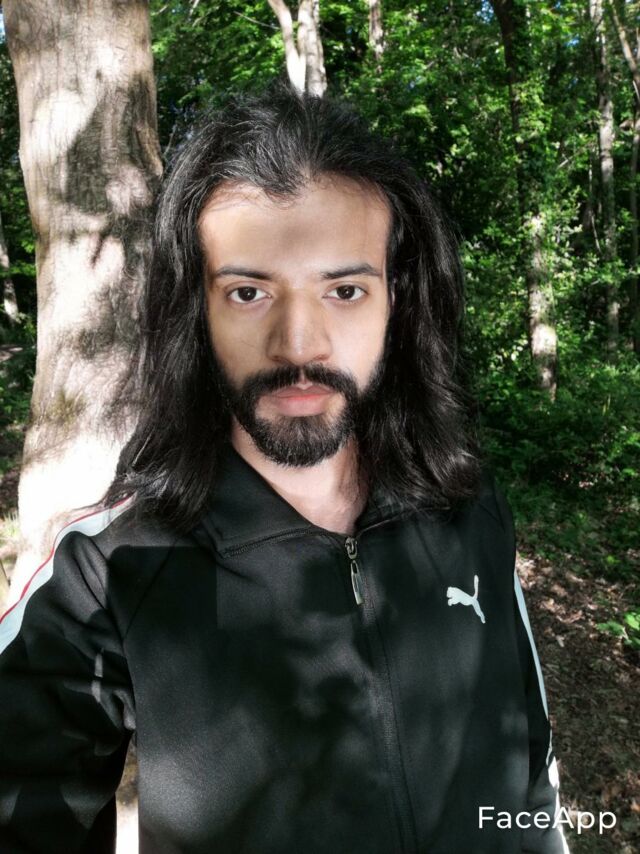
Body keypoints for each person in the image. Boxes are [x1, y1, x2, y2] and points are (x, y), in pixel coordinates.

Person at [0, 86, 569, 854]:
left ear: (397, 304)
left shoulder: (470, 509)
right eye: (248, 292)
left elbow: (530, 765)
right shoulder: (105, 573)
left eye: (344, 290)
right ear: (194, 312)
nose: (299, 344)